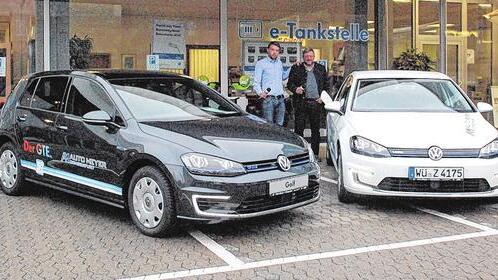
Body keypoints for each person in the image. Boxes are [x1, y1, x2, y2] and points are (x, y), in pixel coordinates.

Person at [287, 48, 330, 159]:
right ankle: (300, 155)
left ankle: (315, 154)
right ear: (303, 57)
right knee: (299, 129)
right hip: (301, 103)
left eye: (310, 56)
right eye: (306, 56)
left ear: (314, 56)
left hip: (316, 103)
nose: (309, 58)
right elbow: (289, 84)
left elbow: (327, 85)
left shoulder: (321, 68)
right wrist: (295, 89)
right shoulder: (296, 68)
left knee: (316, 130)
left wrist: (323, 97)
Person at [253, 41, 289, 126]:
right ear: (268, 50)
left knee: (280, 125)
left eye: (277, 50)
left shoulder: (279, 63)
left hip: (280, 99)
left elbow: (283, 77)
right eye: (272, 49)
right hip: (268, 99)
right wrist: (260, 92)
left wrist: (293, 67)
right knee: (268, 126)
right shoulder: (261, 63)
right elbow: (256, 82)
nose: (274, 52)